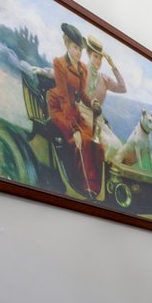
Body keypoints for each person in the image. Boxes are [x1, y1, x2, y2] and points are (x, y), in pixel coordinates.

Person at [46, 22, 103, 196]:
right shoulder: (59, 64)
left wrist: (92, 103)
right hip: (59, 107)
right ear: (67, 45)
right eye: (75, 48)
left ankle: (94, 187)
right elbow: (64, 97)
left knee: (95, 143)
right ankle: (83, 185)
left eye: (80, 49)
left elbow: (82, 94)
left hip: (73, 109)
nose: (78, 52)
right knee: (81, 140)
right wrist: (74, 129)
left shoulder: (83, 68)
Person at [80, 34, 127, 157]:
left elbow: (122, 88)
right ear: (89, 55)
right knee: (94, 144)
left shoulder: (105, 79)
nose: (98, 61)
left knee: (116, 145)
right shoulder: (81, 70)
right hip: (82, 113)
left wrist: (113, 65)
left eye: (100, 58)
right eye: (95, 56)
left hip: (98, 119)